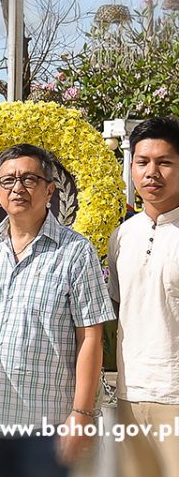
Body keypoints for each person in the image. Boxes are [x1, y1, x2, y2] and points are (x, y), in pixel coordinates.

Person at [0, 144, 114, 476]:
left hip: (47, 427)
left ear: (50, 190)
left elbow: (90, 337)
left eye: (29, 178)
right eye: (8, 180)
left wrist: (82, 415)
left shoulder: (75, 251)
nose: (18, 188)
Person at [107, 117, 179, 477]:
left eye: (164, 162)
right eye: (143, 162)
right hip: (130, 395)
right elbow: (120, 309)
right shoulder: (121, 237)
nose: (152, 172)